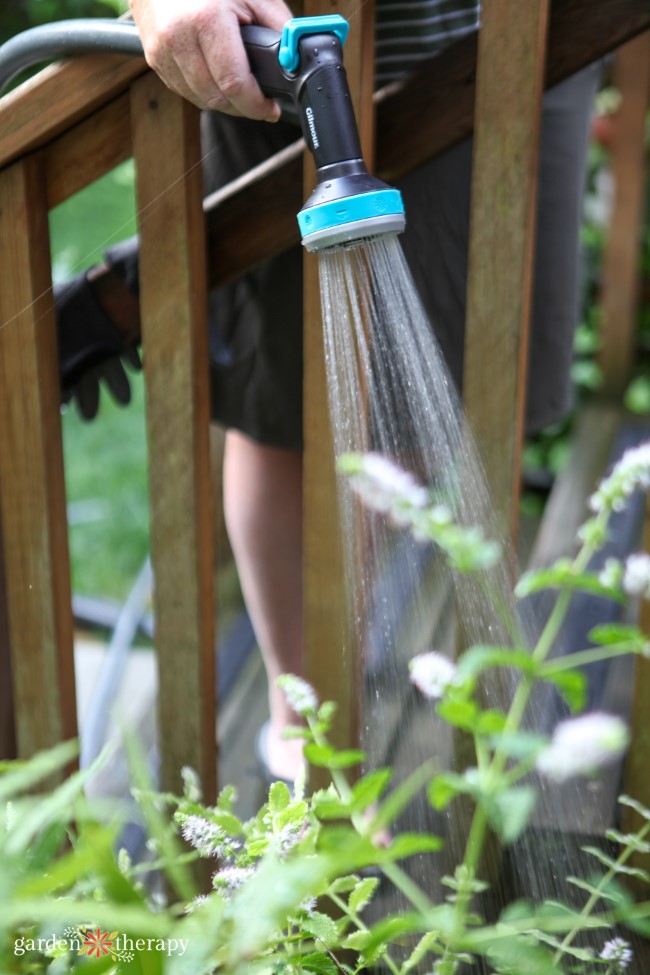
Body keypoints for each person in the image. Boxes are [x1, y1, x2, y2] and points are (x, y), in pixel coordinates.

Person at [56, 0, 601, 782]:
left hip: (518, 35)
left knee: (432, 382)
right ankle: (303, 711)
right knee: (288, 407)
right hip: (282, 49)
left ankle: (342, 638)